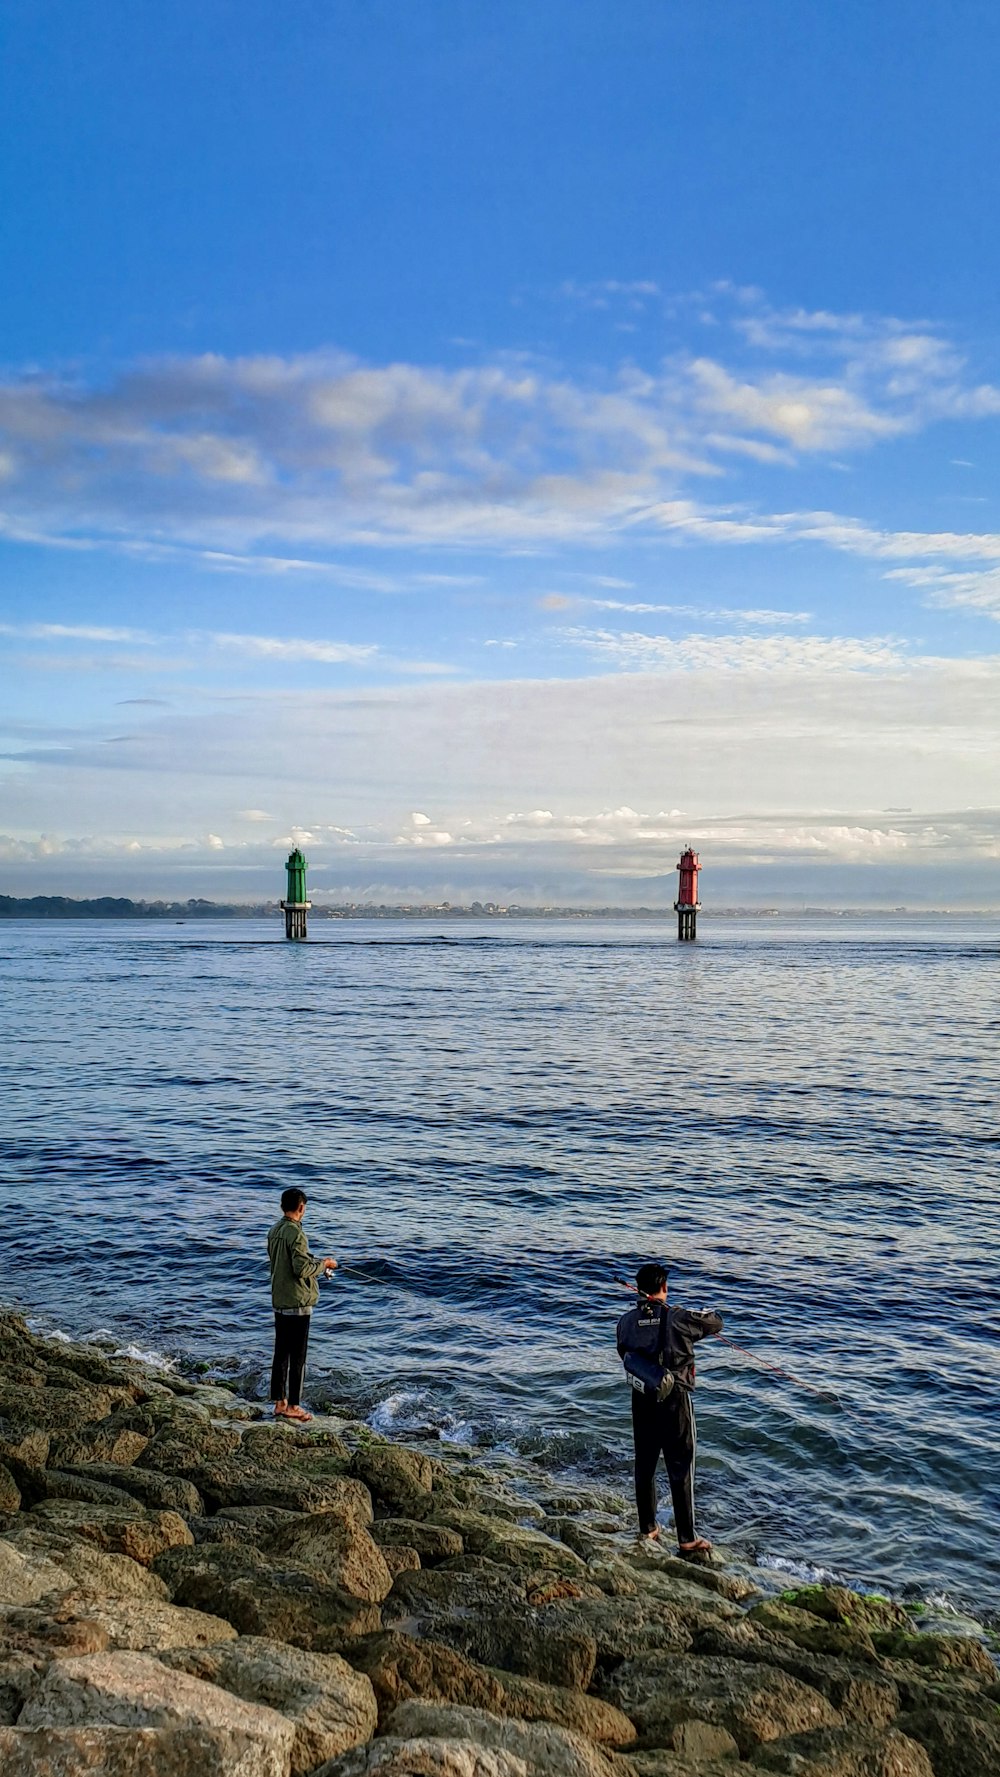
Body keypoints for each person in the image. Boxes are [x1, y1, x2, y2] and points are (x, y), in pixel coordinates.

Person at [616, 1262, 722, 1559]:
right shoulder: (677, 1317)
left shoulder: (625, 1321)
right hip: (675, 1400)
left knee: (645, 1463)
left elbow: (623, 1352)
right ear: (664, 1287)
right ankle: (687, 1539)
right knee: (680, 1466)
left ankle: (648, 1527)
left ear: (639, 1289)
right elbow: (715, 1322)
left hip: (642, 1398)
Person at [267, 1187, 337, 1423]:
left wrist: (314, 1262)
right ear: (301, 1208)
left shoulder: (274, 1230)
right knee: (298, 1356)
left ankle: (279, 1403)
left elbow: (286, 1263)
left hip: (279, 1300)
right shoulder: (297, 1234)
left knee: (280, 1354)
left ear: (281, 1206)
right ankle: (294, 1406)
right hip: (297, 1303)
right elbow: (301, 1269)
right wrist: (325, 1263)